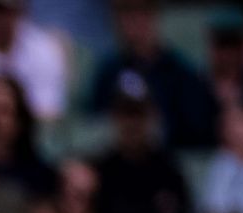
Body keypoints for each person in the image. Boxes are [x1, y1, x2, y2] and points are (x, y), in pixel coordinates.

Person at [88, 0, 219, 151]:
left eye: (141, 13)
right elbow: (95, 124)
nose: (134, 21)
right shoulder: (109, 71)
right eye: (126, 14)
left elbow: (196, 132)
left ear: (153, 16)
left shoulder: (179, 73)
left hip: (166, 161)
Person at [93, 73, 193, 213]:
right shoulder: (104, 169)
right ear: (115, 117)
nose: (132, 123)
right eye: (126, 114)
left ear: (151, 116)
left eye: (138, 113)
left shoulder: (167, 168)